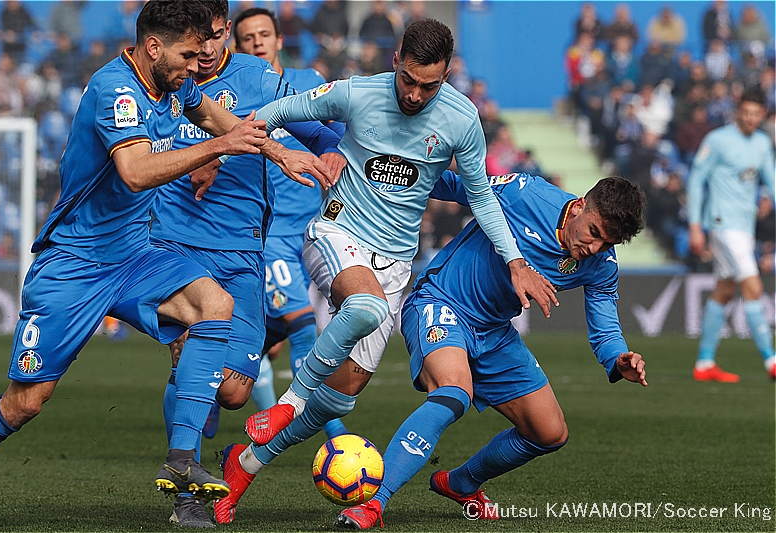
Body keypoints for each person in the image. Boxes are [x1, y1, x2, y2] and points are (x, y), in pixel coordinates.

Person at [213, 18, 557, 523]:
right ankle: (287, 401)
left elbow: (479, 195)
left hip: (395, 264)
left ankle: (242, 466)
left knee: (337, 400)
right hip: (336, 233)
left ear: (445, 77)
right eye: (409, 80)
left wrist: (516, 261)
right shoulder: (356, 94)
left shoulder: (461, 120)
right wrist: (228, 152)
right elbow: (277, 111)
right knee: (366, 307)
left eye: (430, 86)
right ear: (396, 59)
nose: (416, 95)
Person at [0, 0, 283, 505]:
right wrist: (217, 149)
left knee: (214, 306)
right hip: (75, 264)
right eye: (187, 54)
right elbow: (136, 172)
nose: (196, 64)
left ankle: (183, 459)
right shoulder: (114, 89)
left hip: (136, 254)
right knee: (25, 403)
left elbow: (215, 117)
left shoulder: (173, 82)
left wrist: (278, 151)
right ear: (154, 46)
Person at [337, 172, 648, 529]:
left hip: (494, 331)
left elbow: (605, 322)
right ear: (579, 207)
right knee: (454, 393)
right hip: (442, 301)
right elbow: (458, 184)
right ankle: (374, 502)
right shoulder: (525, 194)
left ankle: (460, 483)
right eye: (594, 233)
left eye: (606, 243)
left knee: (549, 432)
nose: (594, 248)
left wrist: (618, 357)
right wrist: (395, 174)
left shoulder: (601, 265)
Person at [150, 1, 342, 526]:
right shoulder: (166, 78)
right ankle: (184, 490)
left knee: (235, 389)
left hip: (243, 251)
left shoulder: (260, 78)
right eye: (197, 40)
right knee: (199, 349)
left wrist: (336, 150)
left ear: (226, 33)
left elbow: (309, 127)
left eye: (215, 37)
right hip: (177, 246)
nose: (206, 50)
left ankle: (193, 401)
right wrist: (204, 154)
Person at [232, 6, 349, 442]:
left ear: (280, 40)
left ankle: (201, 389)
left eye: (265, 34)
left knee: (269, 336)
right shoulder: (237, 92)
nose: (258, 42)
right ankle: (331, 434)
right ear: (237, 46)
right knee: (302, 322)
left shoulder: (309, 85)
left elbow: (338, 133)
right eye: (248, 38)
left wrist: (336, 151)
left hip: (318, 229)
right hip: (267, 235)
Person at [688, 89, 776, 382]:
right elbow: (696, 179)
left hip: (745, 228)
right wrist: (695, 225)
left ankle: (704, 363)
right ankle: (771, 361)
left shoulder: (763, 142)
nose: (750, 118)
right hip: (722, 224)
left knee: (724, 291)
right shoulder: (718, 140)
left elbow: (772, 181)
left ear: (762, 114)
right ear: (738, 111)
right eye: (746, 112)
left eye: (756, 113)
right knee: (753, 287)